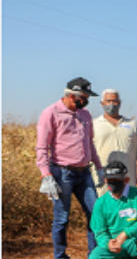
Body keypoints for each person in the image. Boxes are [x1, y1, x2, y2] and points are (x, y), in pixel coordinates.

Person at [37, 77, 105, 259]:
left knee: (96, 214)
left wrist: (99, 167)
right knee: (62, 218)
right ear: (72, 95)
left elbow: (89, 143)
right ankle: (60, 256)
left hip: (85, 173)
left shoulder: (85, 114)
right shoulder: (50, 113)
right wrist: (46, 175)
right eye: (84, 96)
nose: (86, 100)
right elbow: (42, 147)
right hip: (62, 173)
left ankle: (95, 253)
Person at [89, 161, 137, 259]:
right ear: (105, 180)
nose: (113, 182)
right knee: (95, 256)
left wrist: (126, 233)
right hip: (114, 243)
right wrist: (107, 243)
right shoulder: (101, 202)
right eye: (110, 179)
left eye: (117, 179)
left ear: (126, 180)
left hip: (134, 241)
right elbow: (99, 231)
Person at [91, 88, 137, 196]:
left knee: (128, 207)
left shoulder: (131, 125)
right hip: (102, 180)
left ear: (120, 103)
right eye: (108, 101)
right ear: (102, 103)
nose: (111, 104)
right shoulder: (93, 125)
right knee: (104, 208)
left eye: (114, 101)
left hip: (127, 178)